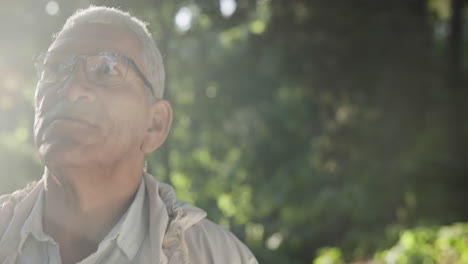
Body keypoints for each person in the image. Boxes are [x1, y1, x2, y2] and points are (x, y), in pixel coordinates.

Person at [0, 6, 258, 264]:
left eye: (106, 70)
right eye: (55, 68)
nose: (72, 89)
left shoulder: (218, 257)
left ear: (154, 125)